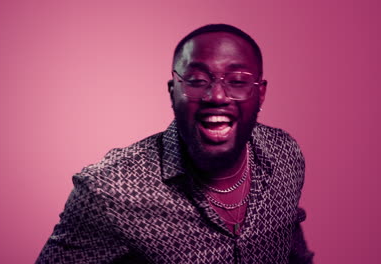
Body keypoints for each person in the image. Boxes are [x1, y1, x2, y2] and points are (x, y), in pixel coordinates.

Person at [36, 24, 314, 264]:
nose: (216, 95)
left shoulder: (284, 155)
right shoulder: (108, 190)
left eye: (237, 80)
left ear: (260, 93)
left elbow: (293, 250)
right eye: (196, 80)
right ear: (173, 93)